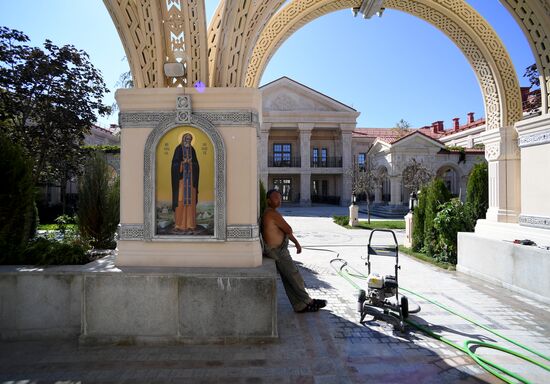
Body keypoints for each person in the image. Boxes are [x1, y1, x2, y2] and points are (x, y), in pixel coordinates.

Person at [261, 189, 327, 313]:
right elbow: (288, 229)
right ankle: (309, 301)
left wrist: (296, 243)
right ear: (268, 200)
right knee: (294, 276)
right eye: (276, 198)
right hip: (278, 251)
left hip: (278, 250)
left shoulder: (271, 213)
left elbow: (286, 231)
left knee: (288, 279)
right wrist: (294, 240)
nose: (279, 200)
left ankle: (299, 305)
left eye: (280, 198)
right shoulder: (272, 214)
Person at [171, 133, 200, 234]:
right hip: (181, 181)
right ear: (183, 139)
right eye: (186, 139)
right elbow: (174, 164)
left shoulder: (192, 150)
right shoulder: (178, 149)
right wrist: (182, 163)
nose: (188, 141)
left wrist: (191, 164)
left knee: (190, 203)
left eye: (190, 139)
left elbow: (197, 165)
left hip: (191, 181)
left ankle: (191, 224)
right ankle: (179, 224)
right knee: (180, 202)